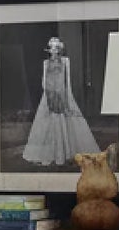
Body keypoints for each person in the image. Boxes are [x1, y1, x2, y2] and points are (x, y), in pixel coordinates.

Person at [21, 36, 99, 166]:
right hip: (49, 95)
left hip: (63, 93)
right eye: (52, 48)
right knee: (46, 123)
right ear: (49, 49)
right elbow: (44, 80)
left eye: (56, 48)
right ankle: (52, 153)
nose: (54, 50)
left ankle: (66, 152)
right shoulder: (46, 63)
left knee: (67, 120)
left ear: (60, 49)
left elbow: (67, 80)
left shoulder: (65, 61)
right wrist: (47, 95)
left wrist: (67, 95)